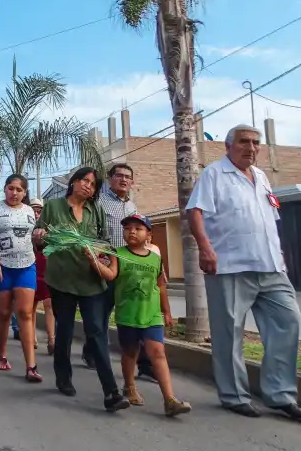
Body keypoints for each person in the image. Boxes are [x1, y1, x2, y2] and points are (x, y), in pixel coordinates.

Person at [187, 124, 301, 421]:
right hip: (230, 266)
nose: (251, 147)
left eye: (256, 142)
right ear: (228, 146)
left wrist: (280, 252)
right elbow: (195, 212)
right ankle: (234, 396)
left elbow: (270, 219)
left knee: (288, 320)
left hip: (270, 267)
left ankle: (281, 396)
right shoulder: (215, 174)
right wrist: (205, 248)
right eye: (244, 141)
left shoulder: (261, 176)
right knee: (229, 334)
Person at [35, 167, 129, 411]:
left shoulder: (96, 209)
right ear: (74, 182)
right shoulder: (53, 206)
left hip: (91, 279)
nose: (88, 185)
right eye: (84, 180)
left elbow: (106, 242)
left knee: (97, 332)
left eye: (93, 184)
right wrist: (38, 236)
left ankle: (111, 392)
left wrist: (97, 252)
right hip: (62, 280)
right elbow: (41, 241)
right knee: (64, 329)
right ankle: (63, 376)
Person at [87, 213, 191, 417]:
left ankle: (169, 399)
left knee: (158, 353)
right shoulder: (118, 254)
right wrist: (93, 260)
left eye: (138, 228)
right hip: (128, 315)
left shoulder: (155, 258)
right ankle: (129, 386)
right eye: (128, 228)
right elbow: (111, 275)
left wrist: (166, 312)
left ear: (149, 234)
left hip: (151, 316)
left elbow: (160, 286)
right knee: (130, 353)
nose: (132, 231)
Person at [94, 163, 155, 380]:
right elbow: (94, 233)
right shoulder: (99, 203)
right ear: (110, 178)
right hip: (108, 266)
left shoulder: (132, 207)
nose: (123, 179)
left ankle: (146, 365)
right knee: (102, 315)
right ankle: (92, 351)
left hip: (131, 270)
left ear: (132, 181)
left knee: (139, 316)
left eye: (128, 177)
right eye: (118, 175)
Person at [0, 175, 41, 382]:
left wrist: (41, 237)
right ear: (5, 189)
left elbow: (31, 238)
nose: (14, 193)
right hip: (1, 267)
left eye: (19, 190)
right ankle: (1, 354)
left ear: (25, 193)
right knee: (4, 313)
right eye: (10, 188)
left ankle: (31, 366)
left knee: (25, 313)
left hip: (26, 266)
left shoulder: (30, 211)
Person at [29, 198, 55, 356]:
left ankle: (52, 338)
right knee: (30, 306)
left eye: (39, 210)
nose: (37, 213)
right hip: (30, 267)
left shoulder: (50, 227)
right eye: (34, 210)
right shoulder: (24, 225)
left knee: (49, 304)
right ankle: (31, 337)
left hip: (47, 268)